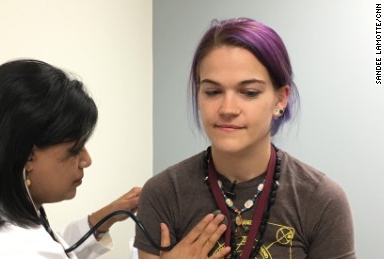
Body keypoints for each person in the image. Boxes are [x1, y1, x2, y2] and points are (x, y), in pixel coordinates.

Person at [134, 17, 355, 259]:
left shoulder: (321, 201)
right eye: (213, 92)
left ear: (280, 99)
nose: (228, 108)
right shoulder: (163, 193)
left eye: (249, 93)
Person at [0, 59, 141, 259]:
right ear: (27, 156)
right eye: (75, 149)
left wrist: (105, 218)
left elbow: (55, 248)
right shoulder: (15, 252)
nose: (87, 160)